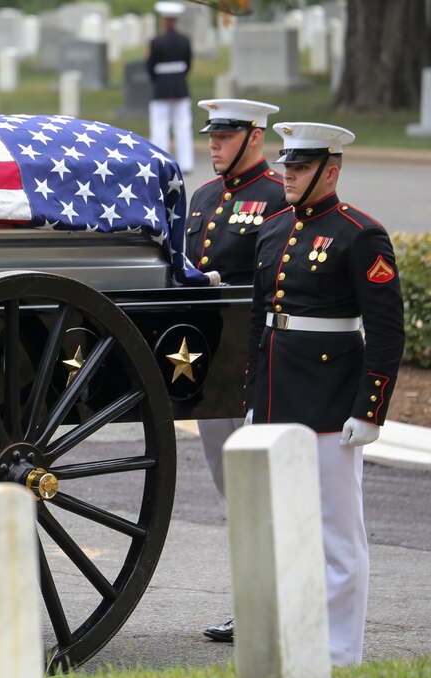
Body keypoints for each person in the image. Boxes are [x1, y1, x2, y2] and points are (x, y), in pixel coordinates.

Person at [238, 122, 404, 666]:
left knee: (337, 539)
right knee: (284, 532)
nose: (289, 174)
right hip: (274, 396)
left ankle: (339, 657)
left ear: (331, 171)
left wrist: (370, 408)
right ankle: (298, 646)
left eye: (302, 167)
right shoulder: (273, 229)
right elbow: (262, 321)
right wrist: (251, 399)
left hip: (332, 402)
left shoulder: (361, 234)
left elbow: (385, 331)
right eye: (287, 164)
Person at [189, 99, 286, 645]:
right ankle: (250, 603)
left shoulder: (277, 196)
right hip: (207, 366)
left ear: (254, 136)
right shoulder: (204, 197)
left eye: (225, 135)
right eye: (212, 134)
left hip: (257, 362)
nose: (213, 143)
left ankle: (273, 602)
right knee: (232, 489)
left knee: (260, 486)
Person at [147, 1, 194, 173]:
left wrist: (158, 80)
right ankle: (186, 163)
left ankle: (160, 163)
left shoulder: (155, 41)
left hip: (161, 87)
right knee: (183, 126)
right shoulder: (184, 40)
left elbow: (150, 66)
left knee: (160, 126)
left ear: (164, 20)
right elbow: (188, 64)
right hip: (180, 87)